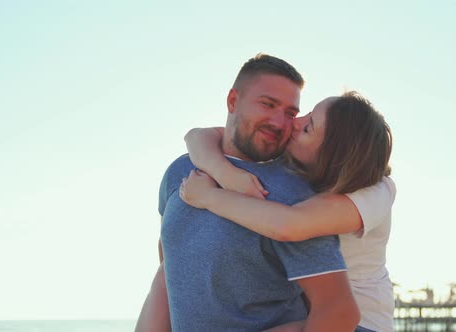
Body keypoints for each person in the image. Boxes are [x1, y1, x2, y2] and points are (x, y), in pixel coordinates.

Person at [135, 53, 360, 332]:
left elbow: (338, 312)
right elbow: (171, 264)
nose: (279, 123)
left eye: (290, 113)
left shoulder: (294, 197)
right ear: (232, 101)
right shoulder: (180, 170)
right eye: (268, 104)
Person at [179, 91, 396, 332]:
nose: (295, 122)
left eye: (307, 128)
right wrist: (223, 172)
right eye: (307, 115)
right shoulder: (297, 162)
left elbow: (290, 225)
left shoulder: (375, 193)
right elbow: (198, 136)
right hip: (301, 309)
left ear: (332, 157)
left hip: (358, 323)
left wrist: (210, 196)